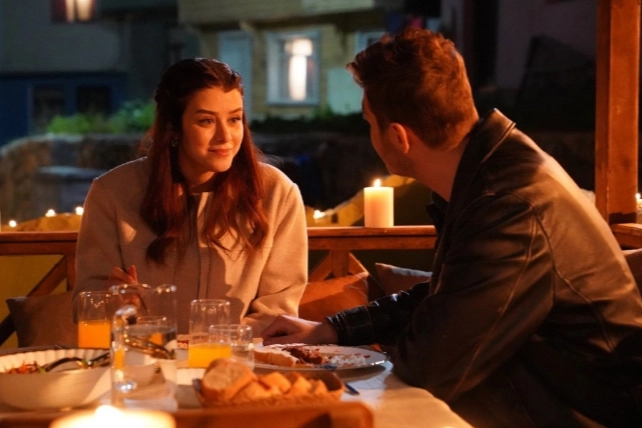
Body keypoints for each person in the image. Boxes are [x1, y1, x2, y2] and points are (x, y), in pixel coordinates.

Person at [262, 28, 642, 427]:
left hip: (590, 414)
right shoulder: (492, 174)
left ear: (398, 137)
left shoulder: (507, 204)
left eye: (369, 122)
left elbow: (429, 367)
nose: (370, 134)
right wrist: (331, 330)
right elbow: (452, 299)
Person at [74, 58, 308, 335]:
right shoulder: (113, 192)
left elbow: (277, 312)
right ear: (173, 127)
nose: (225, 136)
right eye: (206, 121)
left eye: (234, 119)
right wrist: (115, 305)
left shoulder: (276, 192)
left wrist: (210, 345)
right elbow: (86, 305)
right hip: (145, 353)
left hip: (239, 358)